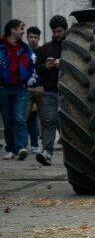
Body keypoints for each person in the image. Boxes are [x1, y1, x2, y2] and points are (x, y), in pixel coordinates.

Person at [34, 15, 68, 166]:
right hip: (50, 92)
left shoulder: (72, 46)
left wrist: (64, 63)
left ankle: (74, 156)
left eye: (59, 31)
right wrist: (45, 67)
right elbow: (36, 69)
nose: (56, 34)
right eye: (54, 32)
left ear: (65, 30)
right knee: (49, 122)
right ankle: (46, 153)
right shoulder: (45, 48)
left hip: (69, 93)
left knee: (68, 126)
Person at [0, 19, 35, 160]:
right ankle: (11, 149)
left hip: (20, 88)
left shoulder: (25, 49)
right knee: (7, 121)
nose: (23, 32)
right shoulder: (0, 46)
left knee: (19, 118)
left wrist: (31, 79)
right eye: (21, 28)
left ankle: (21, 147)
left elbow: (33, 65)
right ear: (13, 30)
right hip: (3, 89)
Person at [25, 26, 44, 154]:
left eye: (35, 37)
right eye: (30, 37)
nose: (33, 40)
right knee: (25, 118)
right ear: (27, 37)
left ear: (39, 38)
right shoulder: (23, 52)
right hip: (25, 90)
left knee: (41, 119)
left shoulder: (42, 52)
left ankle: (36, 144)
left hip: (39, 90)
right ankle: (22, 144)